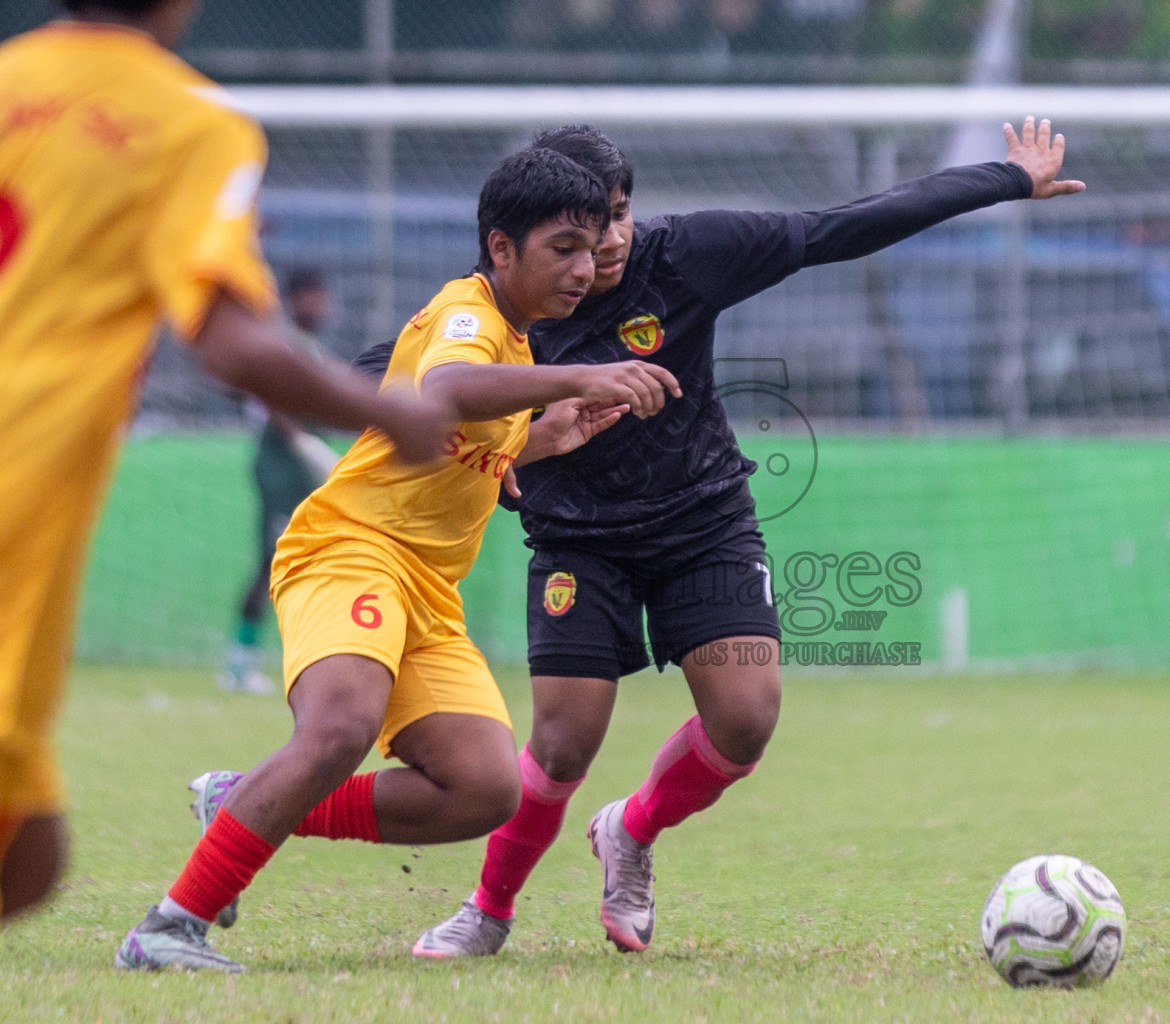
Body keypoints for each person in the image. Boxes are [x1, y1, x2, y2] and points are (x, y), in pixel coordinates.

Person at [393, 118, 1085, 957]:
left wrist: (1005, 180)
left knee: (747, 719)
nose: (606, 244)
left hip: (702, 521)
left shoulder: (690, 253)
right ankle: (489, 910)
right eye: (582, 227)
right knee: (564, 741)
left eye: (618, 214)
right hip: (577, 536)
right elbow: (403, 376)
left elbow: (842, 227)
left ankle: (631, 832)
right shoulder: (501, 302)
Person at [115, 147, 683, 973]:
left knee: (484, 789)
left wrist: (546, 436)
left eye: (592, 250)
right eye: (562, 246)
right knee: (338, 727)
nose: (583, 267)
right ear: (500, 248)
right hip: (350, 550)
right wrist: (583, 376)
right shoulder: (468, 314)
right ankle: (168, 928)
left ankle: (239, 805)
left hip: (426, 593)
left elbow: (479, 450)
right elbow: (448, 389)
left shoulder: (520, 355)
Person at [0, 0, 450, 924]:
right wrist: (388, 413)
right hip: (17, 487)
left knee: (29, 851)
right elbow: (235, 346)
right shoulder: (187, 123)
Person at [219, 268, 341, 696]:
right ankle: (239, 663)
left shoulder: (312, 348)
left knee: (314, 560)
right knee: (272, 560)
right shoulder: (283, 342)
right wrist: (302, 443)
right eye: (315, 297)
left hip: (304, 466)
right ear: (297, 298)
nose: (323, 307)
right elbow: (267, 398)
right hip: (280, 464)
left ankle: (316, 660)